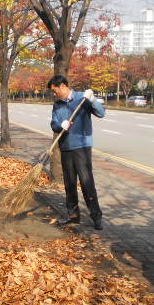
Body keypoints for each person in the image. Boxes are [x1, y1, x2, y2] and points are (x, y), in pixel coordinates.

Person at [48, 75, 105, 230]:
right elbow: (53, 124)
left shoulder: (82, 98)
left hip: (81, 146)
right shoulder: (58, 105)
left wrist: (93, 100)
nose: (54, 94)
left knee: (87, 182)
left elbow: (101, 113)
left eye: (55, 91)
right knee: (70, 183)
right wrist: (61, 125)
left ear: (62, 86)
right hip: (65, 146)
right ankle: (73, 215)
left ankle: (96, 216)